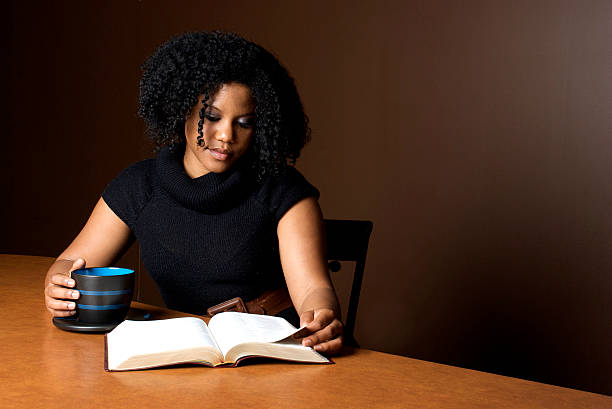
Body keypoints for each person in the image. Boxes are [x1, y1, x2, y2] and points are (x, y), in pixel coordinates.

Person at [43, 31, 343, 354]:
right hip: (193, 356)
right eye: (212, 117)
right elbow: (71, 262)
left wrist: (321, 316)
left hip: (276, 352)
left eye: (244, 122)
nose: (226, 135)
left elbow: (313, 288)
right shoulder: (140, 186)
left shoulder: (282, 189)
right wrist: (59, 284)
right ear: (182, 109)